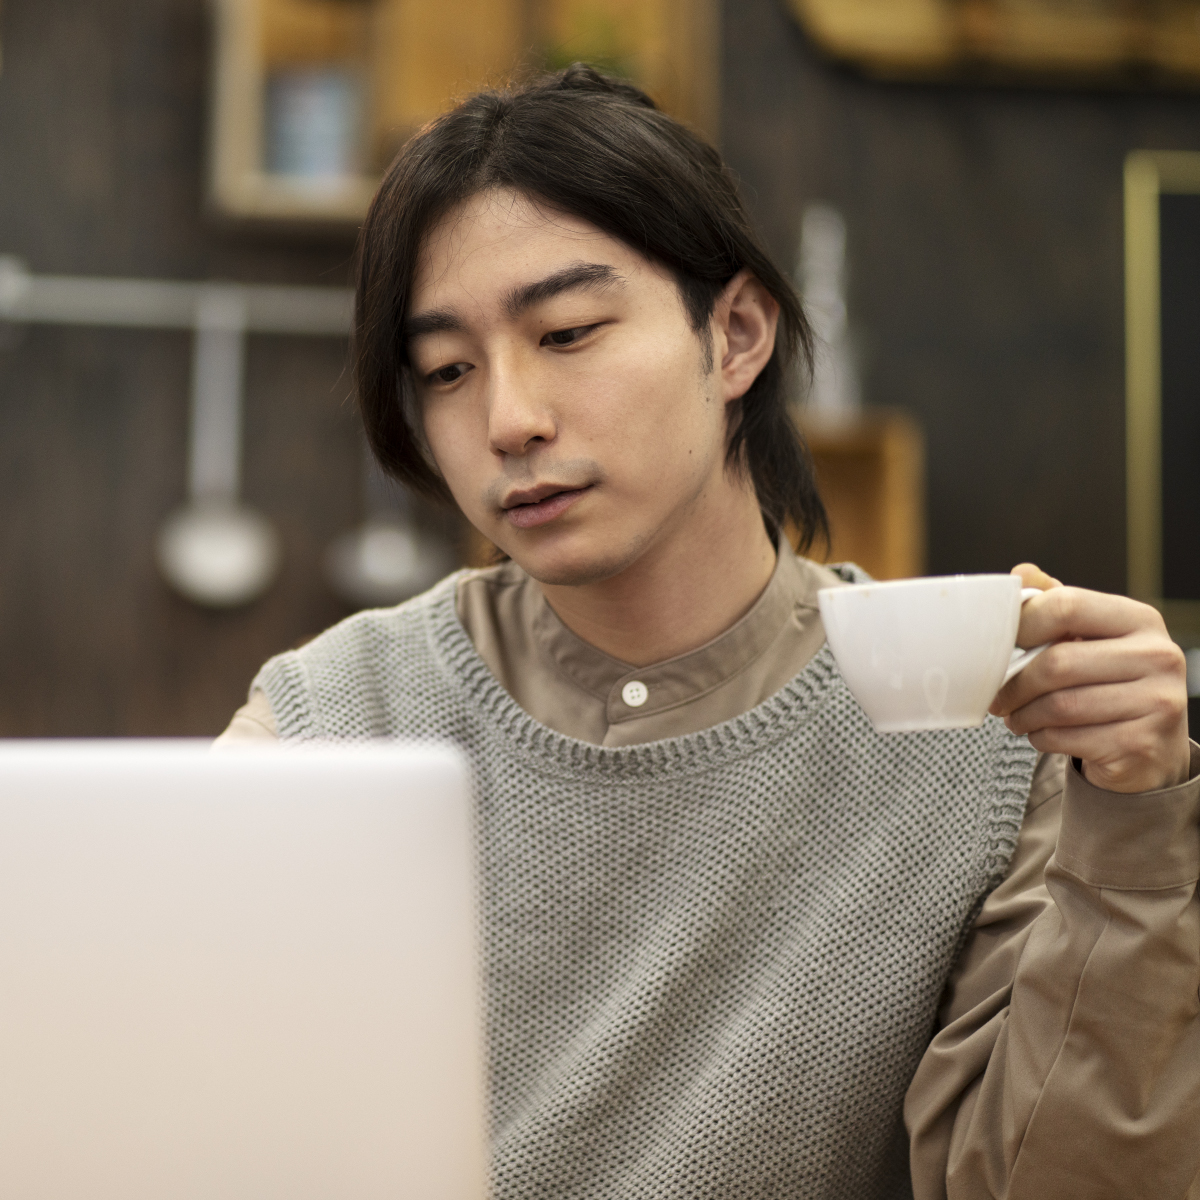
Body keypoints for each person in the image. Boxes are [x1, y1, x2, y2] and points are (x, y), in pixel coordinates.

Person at [219, 65, 1200, 1199]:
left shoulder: (981, 741)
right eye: (446, 370)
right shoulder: (337, 712)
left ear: (735, 335)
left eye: (570, 333)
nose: (508, 421)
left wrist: (1134, 827)